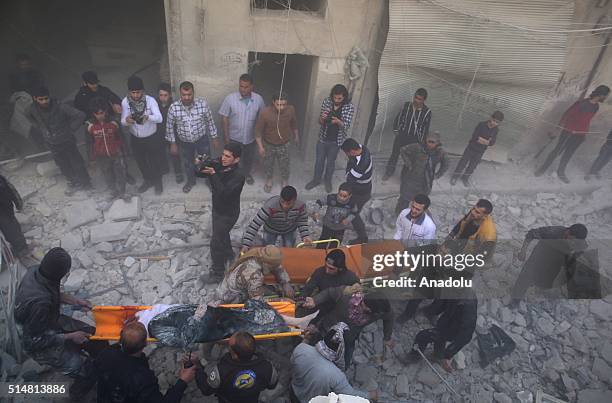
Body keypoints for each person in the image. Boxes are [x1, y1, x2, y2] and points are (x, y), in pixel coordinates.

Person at [14, 248, 107, 400]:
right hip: (38, 341)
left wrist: (75, 301)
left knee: (94, 335)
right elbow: (33, 341)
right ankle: (77, 393)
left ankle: (101, 364)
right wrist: (70, 336)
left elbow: (52, 291)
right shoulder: (39, 305)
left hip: (49, 321)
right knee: (88, 371)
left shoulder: (37, 271)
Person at [95, 321, 196, 403]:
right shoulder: (141, 379)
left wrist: (129, 330)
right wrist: (183, 380)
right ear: (145, 344)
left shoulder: (105, 353)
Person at [303, 286, 393, 368]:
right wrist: (315, 300)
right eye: (363, 305)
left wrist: (387, 337)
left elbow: (389, 317)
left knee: (343, 365)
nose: (365, 309)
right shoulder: (347, 295)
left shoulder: (377, 311)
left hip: (348, 339)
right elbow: (329, 292)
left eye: (369, 310)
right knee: (312, 356)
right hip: (327, 330)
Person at [535, 85, 610, 183]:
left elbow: (586, 121)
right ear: (600, 95)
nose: (606, 98)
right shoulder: (581, 103)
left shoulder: (596, 107)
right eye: (606, 95)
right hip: (568, 132)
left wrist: (584, 133)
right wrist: (558, 129)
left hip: (579, 135)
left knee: (569, 154)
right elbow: (566, 115)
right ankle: (543, 168)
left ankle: (560, 171)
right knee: (557, 151)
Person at [26, 86, 92, 195]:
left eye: (46, 98)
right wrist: (40, 127)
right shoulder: (32, 109)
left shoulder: (61, 106)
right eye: (41, 99)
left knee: (76, 162)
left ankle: (86, 183)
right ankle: (73, 182)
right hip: (51, 142)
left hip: (67, 140)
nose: (44, 101)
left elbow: (80, 115)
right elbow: (28, 116)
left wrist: (70, 129)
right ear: (35, 99)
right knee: (62, 164)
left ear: (49, 97)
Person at [195, 246, 295, 317]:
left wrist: (285, 282)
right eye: (272, 265)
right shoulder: (254, 276)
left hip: (227, 289)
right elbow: (257, 302)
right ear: (267, 263)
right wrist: (280, 301)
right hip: (229, 299)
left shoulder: (258, 254)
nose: (275, 267)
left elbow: (277, 266)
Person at [290, 324, 377, 403]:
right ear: (341, 351)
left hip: (293, 393)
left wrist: (306, 338)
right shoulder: (336, 376)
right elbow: (350, 395)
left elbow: (293, 363)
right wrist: (370, 395)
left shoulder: (301, 349)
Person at [196, 142, 245, 280]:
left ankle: (217, 272)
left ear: (236, 159)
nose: (223, 158)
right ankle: (229, 254)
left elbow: (224, 193)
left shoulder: (238, 176)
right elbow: (199, 174)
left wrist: (213, 174)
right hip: (217, 209)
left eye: (227, 156)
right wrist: (200, 164)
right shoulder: (219, 163)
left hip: (229, 213)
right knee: (222, 234)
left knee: (216, 242)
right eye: (223, 154)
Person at [403, 290, 477, 373]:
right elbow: (444, 303)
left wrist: (448, 355)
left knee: (422, 336)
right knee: (440, 339)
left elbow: (466, 336)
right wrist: (432, 311)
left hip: (452, 331)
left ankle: (414, 356)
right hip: (446, 323)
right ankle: (438, 355)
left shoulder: (468, 308)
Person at [167, 81, 220, 193]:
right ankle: (191, 181)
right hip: (184, 142)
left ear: (193, 93)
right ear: (180, 94)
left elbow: (210, 121)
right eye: (183, 95)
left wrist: (214, 137)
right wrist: (172, 143)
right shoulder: (173, 108)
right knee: (188, 163)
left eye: (189, 94)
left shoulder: (203, 104)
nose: (186, 97)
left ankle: (209, 181)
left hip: (201, 139)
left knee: (206, 161)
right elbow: (169, 127)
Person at [511, 224, 588, 301]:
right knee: (528, 274)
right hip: (543, 250)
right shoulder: (553, 232)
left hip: (559, 256)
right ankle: (516, 299)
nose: (573, 243)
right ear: (568, 232)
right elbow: (531, 233)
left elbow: (580, 252)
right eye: (572, 240)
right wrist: (523, 251)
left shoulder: (580, 243)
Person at [195, 331, 278, 403]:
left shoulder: (221, 371)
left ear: (235, 355)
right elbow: (272, 385)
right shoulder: (268, 368)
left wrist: (198, 367)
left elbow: (206, 389)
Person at [306, 84, 355, 193]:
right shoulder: (327, 101)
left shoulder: (349, 107)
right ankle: (316, 180)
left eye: (339, 98)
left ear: (344, 97)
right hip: (323, 138)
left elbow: (346, 126)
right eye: (334, 97)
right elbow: (320, 121)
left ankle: (327, 181)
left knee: (330, 163)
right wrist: (322, 118)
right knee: (319, 161)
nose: (336, 100)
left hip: (336, 141)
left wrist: (338, 121)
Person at [219, 74, 265, 185]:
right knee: (232, 159)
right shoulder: (230, 98)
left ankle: (246, 174)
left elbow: (262, 118)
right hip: (234, 137)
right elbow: (224, 118)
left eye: (246, 87)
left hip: (250, 137)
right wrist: (226, 137)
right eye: (241, 86)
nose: (243, 89)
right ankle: (231, 176)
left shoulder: (258, 99)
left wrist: (260, 137)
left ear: (251, 86)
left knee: (248, 159)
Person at [121, 76, 164, 194]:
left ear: (143, 91)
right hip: (136, 138)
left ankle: (158, 182)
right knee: (141, 161)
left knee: (154, 161)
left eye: (138, 92)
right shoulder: (125, 102)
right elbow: (122, 121)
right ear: (129, 92)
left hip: (151, 137)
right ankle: (148, 180)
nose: (135, 95)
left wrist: (148, 117)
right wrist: (127, 120)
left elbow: (159, 118)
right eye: (133, 92)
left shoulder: (151, 101)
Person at [241, 186, 311, 251]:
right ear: (280, 197)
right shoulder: (270, 206)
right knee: (267, 251)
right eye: (282, 202)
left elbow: (302, 221)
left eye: (288, 203)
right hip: (271, 230)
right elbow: (255, 224)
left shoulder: (300, 206)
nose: (285, 206)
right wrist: (246, 244)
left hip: (289, 230)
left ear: (294, 200)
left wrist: (305, 236)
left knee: (289, 249)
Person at [382, 88, 431, 180]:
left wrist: (422, 143)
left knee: (410, 160)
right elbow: (398, 118)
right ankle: (389, 172)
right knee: (394, 155)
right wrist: (396, 131)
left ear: (424, 100)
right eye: (415, 97)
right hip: (402, 136)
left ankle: (405, 178)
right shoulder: (407, 106)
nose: (416, 100)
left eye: (419, 99)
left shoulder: (427, 112)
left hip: (414, 139)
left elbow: (425, 129)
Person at [395, 131, 448, 215]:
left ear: (437, 143)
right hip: (411, 179)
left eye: (432, 142)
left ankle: (413, 216)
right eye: (428, 141)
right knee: (404, 199)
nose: (430, 144)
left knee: (419, 203)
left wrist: (437, 175)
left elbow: (446, 165)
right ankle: (398, 214)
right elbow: (403, 150)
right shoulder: (417, 147)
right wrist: (408, 163)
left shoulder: (440, 152)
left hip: (425, 183)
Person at [254, 91, 298, 193]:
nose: (281, 107)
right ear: (273, 102)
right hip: (268, 144)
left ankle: (285, 181)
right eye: (278, 104)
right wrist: (260, 147)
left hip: (285, 144)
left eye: (284, 104)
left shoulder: (291, 110)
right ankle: (269, 180)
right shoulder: (265, 113)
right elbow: (258, 131)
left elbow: (294, 122)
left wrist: (296, 135)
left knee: (285, 164)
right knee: (268, 164)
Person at [87, 98, 128, 200]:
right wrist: (91, 158)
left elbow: (121, 137)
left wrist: (125, 150)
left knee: (120, 173)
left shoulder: (114, 122)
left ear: (105, 111)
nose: (100, 116)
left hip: (115, 153)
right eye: (97, 114)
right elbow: (89, 143)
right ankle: (113, 192)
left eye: (102, 113)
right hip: (101, 156)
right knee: (107, 174)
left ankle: (122, 192)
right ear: (93, 114)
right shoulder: (90, 126)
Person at [299, 250, 359, 317]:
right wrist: (302, 300)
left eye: (331, 269)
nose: (327, 271)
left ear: (340, 269)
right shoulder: (320, 272)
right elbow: (308, 288)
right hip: (321, 304)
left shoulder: (351, 278)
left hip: (340, 309)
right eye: (326, 266)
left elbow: (357, 297)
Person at [451, 111, 504, 186]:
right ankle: (455, 177)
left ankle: (465, 178)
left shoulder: (496, 130)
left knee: (472, 166)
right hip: (471, 148)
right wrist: (486, 141)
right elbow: (475, 137)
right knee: (462, 163)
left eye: (497, 122)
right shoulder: (481, 125)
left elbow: (492, 142)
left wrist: (484, 141)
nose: (494, 123)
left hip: (480, 151)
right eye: (494, 121)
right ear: (491, 118)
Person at [313, 182, 367, 247]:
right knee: (322, 242)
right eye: (340, 195)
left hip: (340, 228)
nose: (341, 198)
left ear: (349, 196)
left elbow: (354, 213)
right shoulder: (331, 198)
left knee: (335, 244)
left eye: (344, 196)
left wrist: (348, 219)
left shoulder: (352, 203)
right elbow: (319, 202)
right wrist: (316, 212)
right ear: (338, 192)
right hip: (327, 226)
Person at [157, 82, 183, 183]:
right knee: (160, 152)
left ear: (170, 95)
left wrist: (174, 141)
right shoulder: (155, 105)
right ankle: (164, 169)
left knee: (174, 154)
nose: (163, 98)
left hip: (173, 134)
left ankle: (178, 172)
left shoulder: (175, 106)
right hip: (159, 134)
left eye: (165, 95)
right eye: (160, 95)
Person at [340, 138, 373, 212]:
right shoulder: (363, 148)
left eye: (347, 153)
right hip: (363, 185)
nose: (347, 156)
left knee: (355, 208)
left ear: (352, 151)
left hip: (361, 190)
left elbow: (349, 179)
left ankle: (351, 218)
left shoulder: (361, 165)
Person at [0, 175, 27, 256]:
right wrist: (18, 202)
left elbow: (9, 187)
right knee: (10, 227)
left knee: (10, 228)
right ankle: (19, 248)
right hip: (5, 209)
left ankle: (21, 249)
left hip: (4, 209)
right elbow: (10, 187)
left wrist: (18, 202)